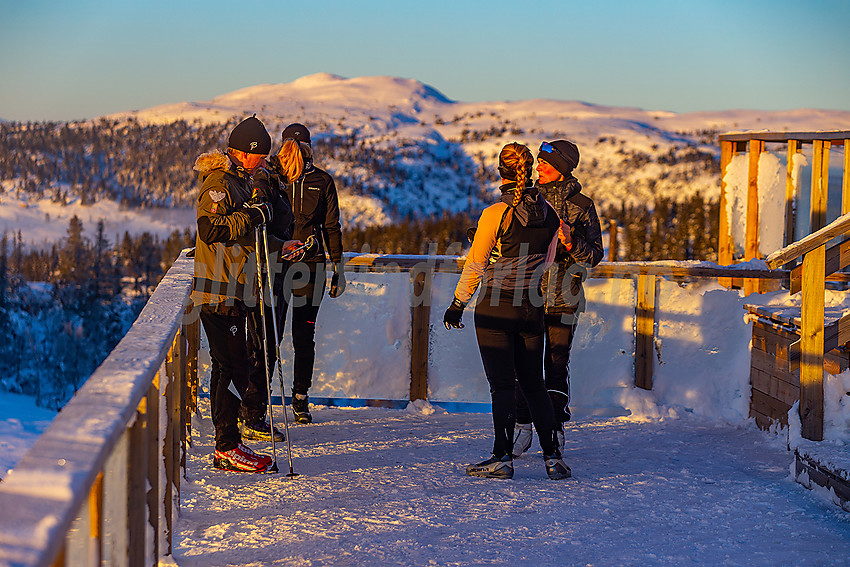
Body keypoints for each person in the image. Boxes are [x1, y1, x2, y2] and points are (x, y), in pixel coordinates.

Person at [443, 142, 571, 481]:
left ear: (500, 171)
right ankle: (553, 457)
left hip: (496, 306)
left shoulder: (495, 214)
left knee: (502, 386)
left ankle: (501, 456)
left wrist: (458, 304)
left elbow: (476, 263)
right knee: (534, 384)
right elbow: (546, 262)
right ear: (528, 171)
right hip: (531, 307)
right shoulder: (551, 215)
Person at [191, 115, 278, 472]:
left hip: (234, 289)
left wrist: (280, 243)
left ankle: (229, 444)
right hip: (218, 290)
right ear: (245, 152)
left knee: (233, 366)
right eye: (261, 155)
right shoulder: (220, 182)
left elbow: (244, 234)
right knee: (231, 368)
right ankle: (227, 446)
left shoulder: (239, 183)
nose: (264, 161)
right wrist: (253, 215)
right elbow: (210, 229)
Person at [512, 140, 604, 458]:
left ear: (561, 168)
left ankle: (554, 430)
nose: (537, 167)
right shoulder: (524, 199)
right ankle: (521, 427)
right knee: (522, 364)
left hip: (564, 298)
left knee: (555, 365)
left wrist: (571, 240)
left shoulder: (582, 205)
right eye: (538, 161)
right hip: (527, 296)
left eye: (544, 162)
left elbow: (594, 256)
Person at [264, 123, 345, 424]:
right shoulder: (280, 179)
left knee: (291, 334)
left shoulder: (316, 181)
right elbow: (332, 228)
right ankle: (282, 398)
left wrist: (337, 267)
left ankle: (287, 398)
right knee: (287, 334)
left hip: (300, 267)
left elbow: (331, 226)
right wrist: (338, 268)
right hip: (292, 266)